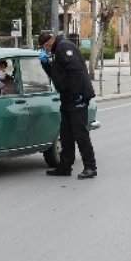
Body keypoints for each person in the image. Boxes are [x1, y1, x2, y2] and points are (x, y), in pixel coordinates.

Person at [39, 32, 97, 179]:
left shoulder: (64, 48)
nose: (45, 50)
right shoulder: (57, 50)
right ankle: (65, 166)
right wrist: (46, 65)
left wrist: (77, 95)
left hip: (77, 97)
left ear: (48, 43)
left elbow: (75, 72)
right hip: (67, 98)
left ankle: (90, 167)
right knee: (66, 134)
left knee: (80, 134)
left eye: (45, 47)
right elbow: (57, 76)